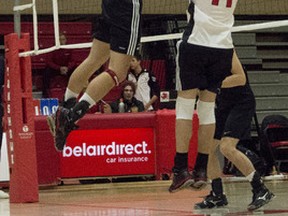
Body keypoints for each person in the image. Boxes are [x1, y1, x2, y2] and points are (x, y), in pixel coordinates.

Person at [47, 0, 143, 151]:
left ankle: (65, 107)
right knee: (118, 72)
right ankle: (70, 117)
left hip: (110, 5)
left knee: (94, 60)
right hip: (127, 7)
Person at [169, 0, 239, 194]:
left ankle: (181, 168)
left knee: (184, 107)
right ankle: (201, 169)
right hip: (223, 48)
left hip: (196, 43)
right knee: (207, 109)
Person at [194, 57, 275, 210]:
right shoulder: (200, 58)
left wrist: (213, 84)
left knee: (226, 147)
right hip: (224, 104)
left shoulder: (226, 51)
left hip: (241, 103)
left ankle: (261, 189)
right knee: (207, 148)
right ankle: (218, 195)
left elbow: (240, 78)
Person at [42, 32, 76, 98]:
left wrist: (68, 68)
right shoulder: (52, 48)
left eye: (63, 39)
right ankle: (45, 94)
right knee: (46, 73)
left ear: (66, 40)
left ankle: (73, 94)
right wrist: (59, 68)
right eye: (59, 39)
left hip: (66, 69)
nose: (61, 41)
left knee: (75, 72)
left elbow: (73, 61)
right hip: (55, 69)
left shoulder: (69, 48)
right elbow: (49, 61)